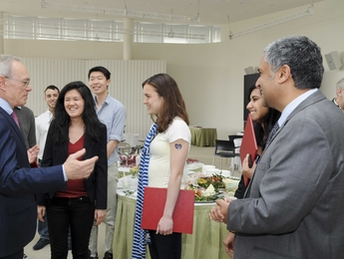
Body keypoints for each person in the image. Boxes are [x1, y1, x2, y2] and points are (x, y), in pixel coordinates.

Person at [210, 36, 344, 258]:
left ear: (283, 74)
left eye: (262, 72)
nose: (259, 82)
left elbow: (277, 210)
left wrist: (231, 212)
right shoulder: (318, 115)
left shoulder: (307, 125)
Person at [0, 55, 99, 259]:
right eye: (25, 82)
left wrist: (21, 159)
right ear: (2, 82)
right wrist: (64, 171)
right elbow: (8, 180)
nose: (29, 88)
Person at [37, 81, 107, 259]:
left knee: (81, 251)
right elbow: (46, 164)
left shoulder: (98, 129)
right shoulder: (56, 127)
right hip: (56, 201)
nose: (71, 103)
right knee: (58, 252)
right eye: (67, 99)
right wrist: (40, 201)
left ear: (85, 101)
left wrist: (101, 205)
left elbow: (101, 169)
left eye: (76, 99)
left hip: (84, 201)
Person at [131, 73, 191, 259]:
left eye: (149, 96)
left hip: (166, 203)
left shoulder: (177, 127)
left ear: (164, 97)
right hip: (153, 200)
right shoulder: (159, 126)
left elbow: (176, 173)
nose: (144, 101)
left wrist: (167, 215)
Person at [220, 85, 280, 258]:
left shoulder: (281, 139)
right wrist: (234, 228)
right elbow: (243, 185)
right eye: (249, 100)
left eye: (255, 100)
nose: (248, 105)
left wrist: (254, 176)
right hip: (248, 223)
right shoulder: (255, 136)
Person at [88, 66, 126, 259]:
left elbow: (114, 139)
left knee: (109, 212)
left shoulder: (118, 107)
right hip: (87, 168)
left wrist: (98, 163)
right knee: (89, 212)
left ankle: (109, 251)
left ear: (108, 81)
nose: (95, 82)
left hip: (108, 166)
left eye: (99, 78)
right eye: (92, 78)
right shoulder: (87, 106)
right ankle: (92, 252)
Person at [33, 84, 60, 251]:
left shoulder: (67, 118)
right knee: (42, 199)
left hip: (62, 163)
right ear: (45, 98)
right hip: (44, 163)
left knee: (61, 198)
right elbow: (35, 144)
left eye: (55, 95)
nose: (52, 98)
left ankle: (67, 235)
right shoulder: (39, 120)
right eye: (49, 95)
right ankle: (44, 235)